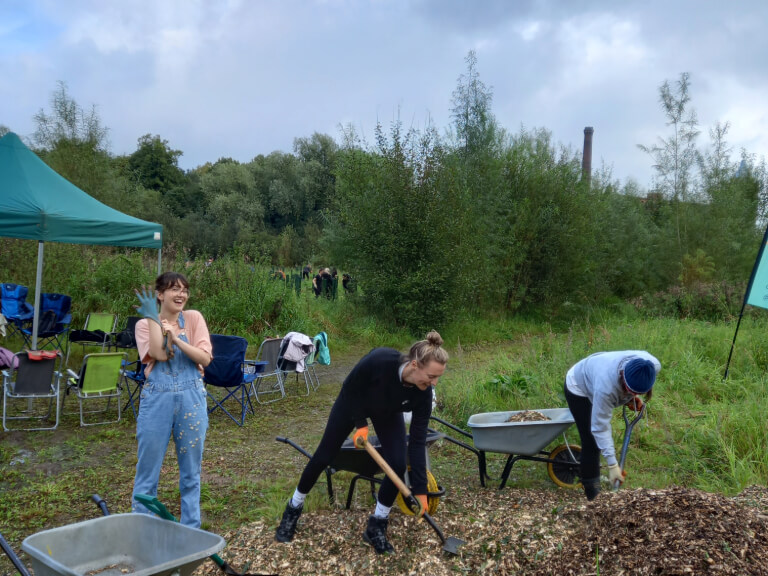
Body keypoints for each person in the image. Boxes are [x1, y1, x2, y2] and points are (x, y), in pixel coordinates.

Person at [275, 331, 449, 554]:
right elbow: (350, 386)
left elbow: (416, 442)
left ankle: (377, 525)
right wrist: (361, 425)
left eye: (438, 378)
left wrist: (421, 490)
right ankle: (293, 509)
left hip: (387, 412)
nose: (434, 383)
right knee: (324, 456)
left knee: (396, 463)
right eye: (431, 376)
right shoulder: (381, 360)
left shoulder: (423, 394)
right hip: (353, 403)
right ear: (415, 365)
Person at [131, 272, 213, 528]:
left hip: (192, 399)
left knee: (191, 472)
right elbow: (159, 354)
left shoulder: (193, 318)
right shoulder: (145, 324)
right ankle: (142, 530)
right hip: (158, 400)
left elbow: (204, 358)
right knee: (147, 471)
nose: (181, 295)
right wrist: (152, 318)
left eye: (184, 290)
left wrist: (176, 338)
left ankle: (191, 529)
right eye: (174, 289)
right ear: (159, 294)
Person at [564, 350, 660, 501]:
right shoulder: (606, 387)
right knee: (591, 442)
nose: (632, 394)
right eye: (630, 391)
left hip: (598, 372)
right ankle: (593, 498)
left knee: (596, 441)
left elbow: (632, 385)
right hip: (579, 386)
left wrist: (630, 397)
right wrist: (612, 465)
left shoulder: (652, 365)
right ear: (623, 376)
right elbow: (600, 427)